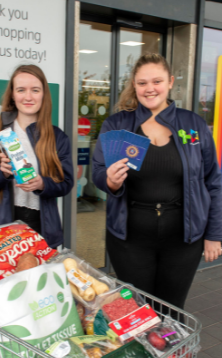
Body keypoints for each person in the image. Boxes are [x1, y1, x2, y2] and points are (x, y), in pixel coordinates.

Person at [92, 53, 222, 311]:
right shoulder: (118, 124)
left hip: (183, 240)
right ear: (134, 84)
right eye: (142, 83)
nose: (150, 89)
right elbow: (98, 171)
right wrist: (111, 182)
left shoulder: (192, 125)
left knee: (172, 310)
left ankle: (177, 352)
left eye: (157, 81)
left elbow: (213, 182)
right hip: (129, 239)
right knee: (138, 310)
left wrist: (214, 234)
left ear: (170, 81)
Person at [0, 64, 73, 248]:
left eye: (35, 90)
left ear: (43, 94)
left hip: (43, 227)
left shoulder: (57, 137)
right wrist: (2, 173)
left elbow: (66, 183)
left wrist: (43, 184)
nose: (28, 97)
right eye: (21, 90)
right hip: (4, 226)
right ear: (13, 94)